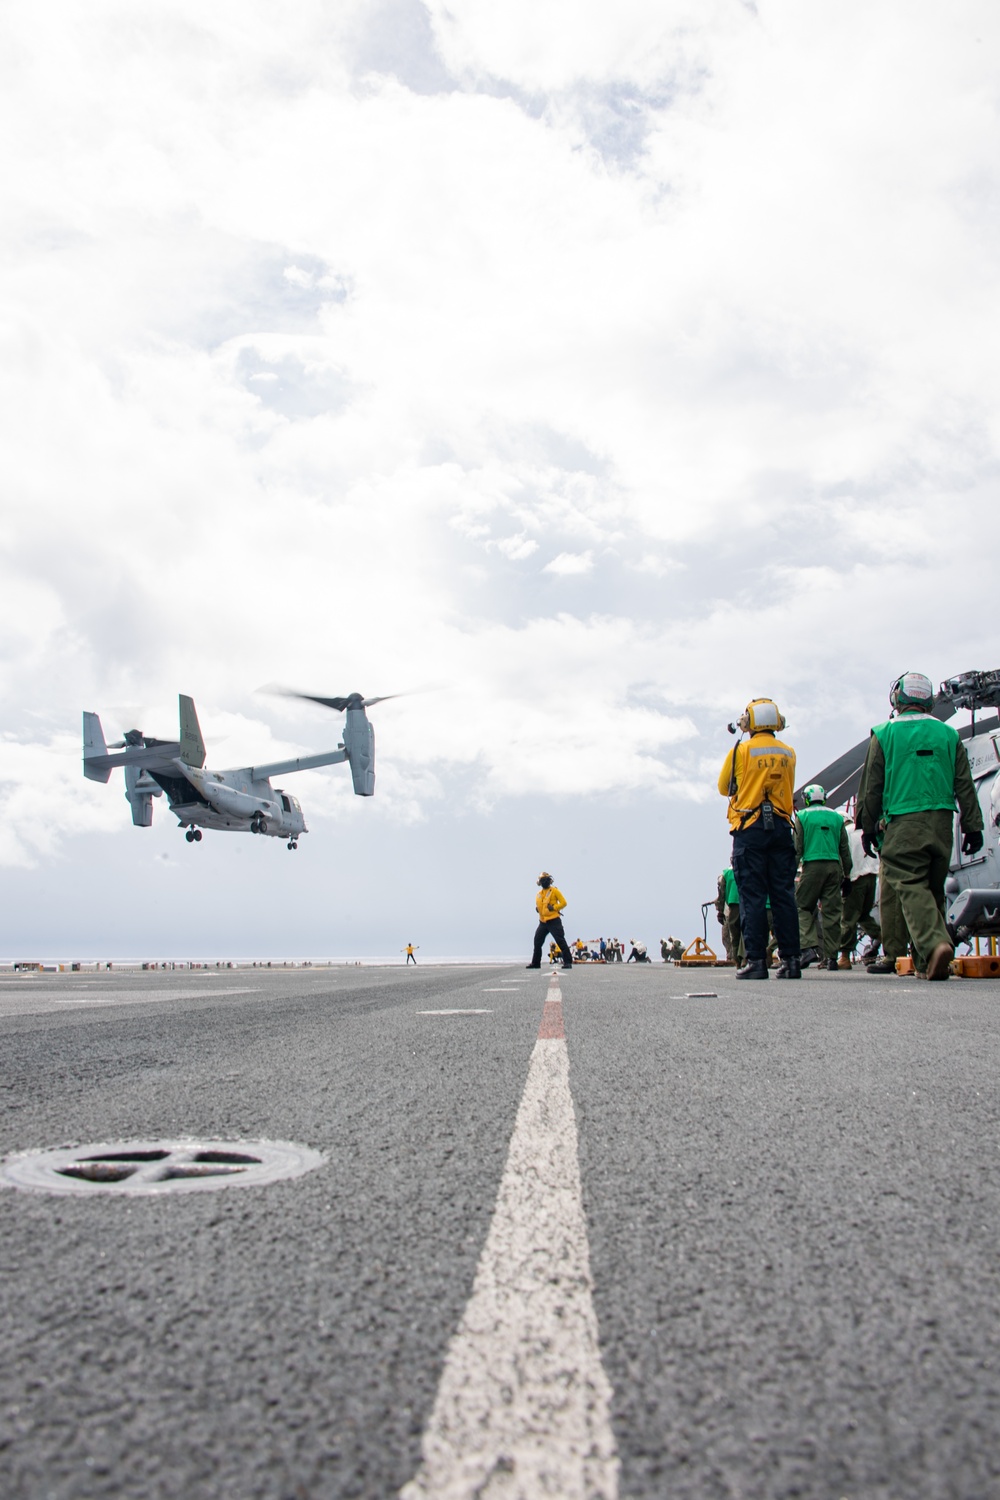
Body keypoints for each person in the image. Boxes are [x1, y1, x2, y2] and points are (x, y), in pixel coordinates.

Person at [858, 671, 983, 981]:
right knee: (932, 888)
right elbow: (964, 784)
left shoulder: (884, 733)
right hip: (942, 822)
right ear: (928, 700)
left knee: (909, 883)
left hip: (903, 822)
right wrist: (973, 826)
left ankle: (937, 943)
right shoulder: (949, 734)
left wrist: (867, 825)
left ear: (897, 698)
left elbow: (872, 787)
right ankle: (929, 964)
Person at [718, 697, 801, 979]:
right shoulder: (789, 752)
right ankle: (791, 962)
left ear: (748, 722)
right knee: (783, 895)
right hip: (780, 827)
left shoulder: (741, 750)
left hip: (749, 828)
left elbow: (723, 788)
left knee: (752, 896)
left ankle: (756, 961)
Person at [794, 785, 852, 970]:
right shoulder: (836, 817)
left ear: (807, 799)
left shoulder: (802, 816)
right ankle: (832, 958)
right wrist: (848, 874)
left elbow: (797, 848)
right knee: (832, 913)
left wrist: (790, 871)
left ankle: (809, 947)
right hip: (834, 867)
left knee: (802, 906)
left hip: (812, 866)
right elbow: (845, 849)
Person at [838, 815, 881, 967]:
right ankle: (886, 939)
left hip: (855, 879)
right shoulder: (863, 831)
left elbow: (844, 858)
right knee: (864, 916)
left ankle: (844, 957)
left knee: (848, 918)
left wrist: (843, 879)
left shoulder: (846, 834)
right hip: (872, 877)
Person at [527, 872, 574, 970]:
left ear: (549, 881)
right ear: (540, 882)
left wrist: (554, 907)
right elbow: (541, 905)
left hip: (554, 921)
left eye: (546, 880)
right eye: (542, 880)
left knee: (560, 941)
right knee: (537, 942)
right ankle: (535, 963)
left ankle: (568, 962)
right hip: (543, 922)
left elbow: (564, 903)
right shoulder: (539, 894)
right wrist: (537, 909)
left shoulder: (555, 891)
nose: (544, 882)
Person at [716, 865, 744, 965]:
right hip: (732, 906)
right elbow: (721, 894)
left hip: (741, 903)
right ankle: (735, 957)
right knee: (731, 933)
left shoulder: (728, 873)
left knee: (740, 933)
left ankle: (741, 958)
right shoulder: (726, 874)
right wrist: (720, 911)